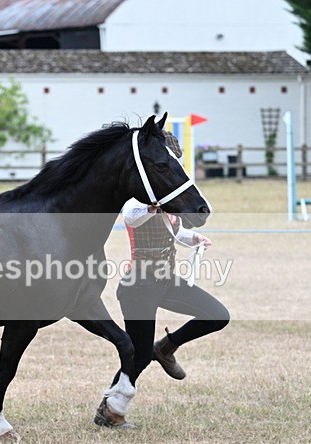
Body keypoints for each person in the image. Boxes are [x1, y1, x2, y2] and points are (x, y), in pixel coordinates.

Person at [94, 130, 230, 428]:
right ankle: (109, 410)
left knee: (218, 316)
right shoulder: (137, 200)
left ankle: (166, 346)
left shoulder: (169, 201)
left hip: (165, 281)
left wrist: (193, 238)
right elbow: (133, 218)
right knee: (138, 355)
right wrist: (155, 205)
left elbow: (173, 231)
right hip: (138, 287)